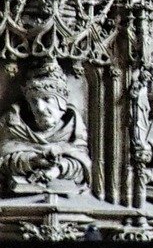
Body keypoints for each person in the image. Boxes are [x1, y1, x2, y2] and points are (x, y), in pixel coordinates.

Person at [0, 61, 91, 196]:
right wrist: (33, 161)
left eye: (47, 99)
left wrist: (58, 169)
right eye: (34, 101)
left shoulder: (73, 126)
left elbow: (82, 162)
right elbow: (3, 160)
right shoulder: (14, 123)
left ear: (61, 102)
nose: (40, 108)